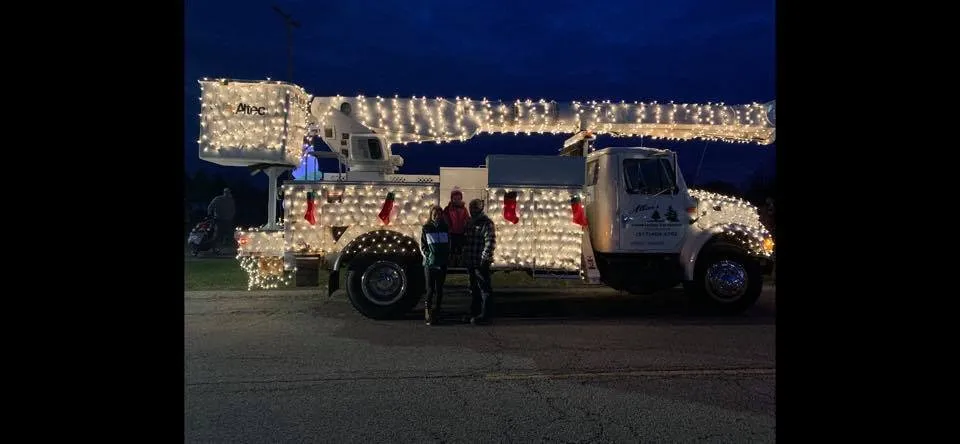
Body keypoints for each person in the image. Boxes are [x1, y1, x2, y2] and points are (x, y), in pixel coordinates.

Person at [462, 198, 496, 325]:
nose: (472, 210)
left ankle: (485, 314)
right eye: (471, 208)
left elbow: (490, 242)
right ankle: (474, 312)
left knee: (484, 288)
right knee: (473, 288)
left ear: (481, 208)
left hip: (480, 261)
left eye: (475, 208)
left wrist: (484, 258)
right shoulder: (470, 222)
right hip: (471, 261)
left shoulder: (487, 223)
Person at [420, 205, 450, 325]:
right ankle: (428, 313)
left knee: (440, 289)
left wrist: (446, 256)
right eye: (435, 214)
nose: (437, 216)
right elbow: (423, 245)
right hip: (430, 263)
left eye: (439, 214)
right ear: (431, 215)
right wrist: (429, 256)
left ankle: (438, 311)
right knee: (430, 289)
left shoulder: (445, 227)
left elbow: (449, 244)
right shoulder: (426, 228)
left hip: (442, 263)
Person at [442, 187, 470, 265]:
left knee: (460, 249)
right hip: (451, 233)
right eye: (455, 199)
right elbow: (445, 219)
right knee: (452, 249)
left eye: (458, 199)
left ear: (461, 199)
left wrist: (466, 227)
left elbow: (466, 219)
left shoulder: (464, 209)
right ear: (452, 199)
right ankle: (451, 263)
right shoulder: (448, 209)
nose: (457, 200)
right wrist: (448, 227)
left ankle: (460, 263)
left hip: (461, 233)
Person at [207, 188, 236, 252]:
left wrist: (231, 216)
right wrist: (209, 214)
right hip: (219, 219)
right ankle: (213, 248)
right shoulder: (218, 199)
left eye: (228, 192)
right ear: (224, 192)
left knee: (231, 234)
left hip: (228, 220)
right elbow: (210, 206)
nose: (227, 193)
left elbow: (233, 209)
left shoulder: (231, 200)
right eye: (226, 192)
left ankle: (233, 249)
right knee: (217, 235)